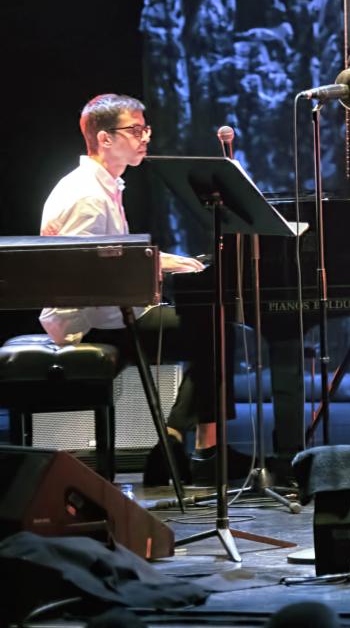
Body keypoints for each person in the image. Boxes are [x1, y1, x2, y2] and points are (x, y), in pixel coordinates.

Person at [39, 93, 223, 483]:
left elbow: (109, 256)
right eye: (135, 130)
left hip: (108, 315)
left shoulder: (102, 185)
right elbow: (80, 273)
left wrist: (156, 262)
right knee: (213, 330)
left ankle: (178, 441)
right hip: (86, 324)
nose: (145, 138)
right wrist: (156, 266)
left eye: (146, 129)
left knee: (209, 326)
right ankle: (181, 444)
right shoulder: (86, 196)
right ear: (105, 139)